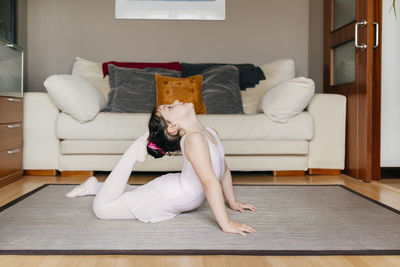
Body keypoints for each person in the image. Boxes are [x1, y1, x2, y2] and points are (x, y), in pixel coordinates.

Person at [65, 100, 257, 236]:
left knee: (133, 194)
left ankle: (95, 187)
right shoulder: (194, 139)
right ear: (173, 126)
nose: (175, 100)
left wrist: (232, 202)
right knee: (102, 210)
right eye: (170, 107)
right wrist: (226, 223)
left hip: (174, 189)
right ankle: (134, 150)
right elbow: (209, 182)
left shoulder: (210, 133)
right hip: (166, 196)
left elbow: (223, 171)